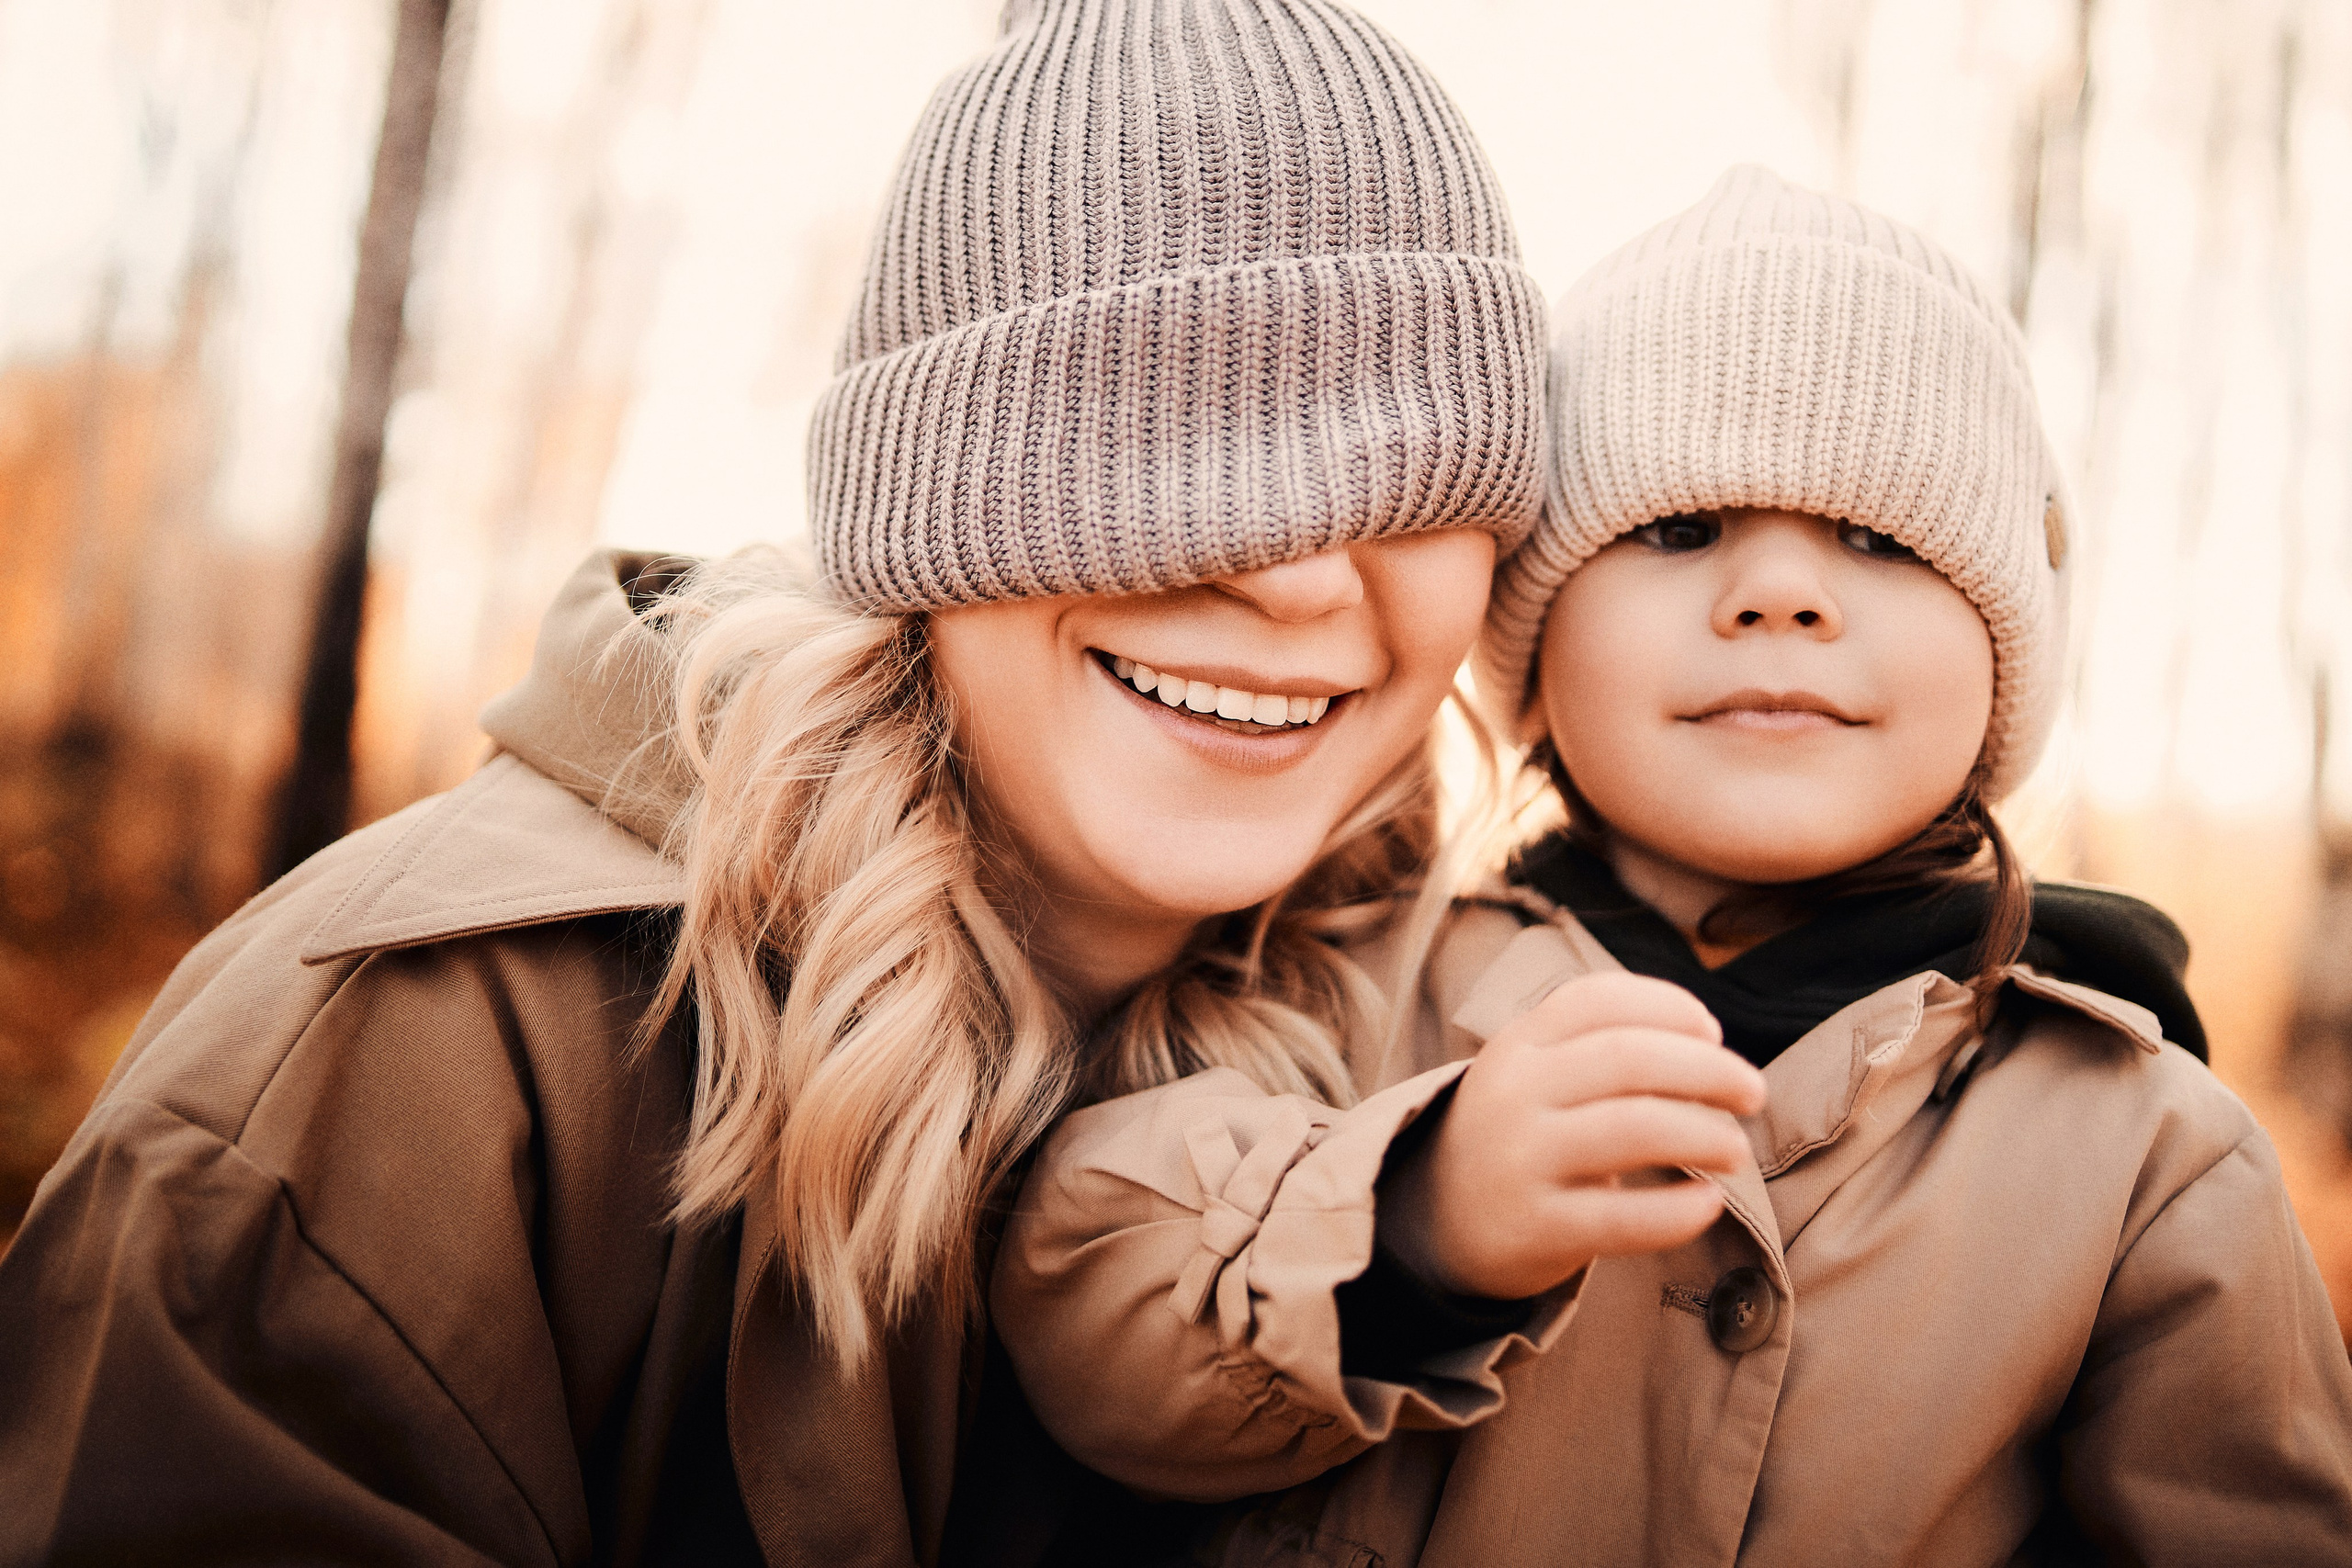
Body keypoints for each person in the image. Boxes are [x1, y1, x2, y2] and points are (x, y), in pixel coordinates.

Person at [0, 3, 1548, 1562]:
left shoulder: (1496, 1073)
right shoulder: (405, 1068)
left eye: (1412, 475)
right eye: (1180, 438)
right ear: (933, 514)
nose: (1299, 579)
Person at [992, 166, 2352, 1565]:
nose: (1777, 595)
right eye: (1678, 530)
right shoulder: (1336, 980)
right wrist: (1412, 1224)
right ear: (1536, 636)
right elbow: (1080, 1299)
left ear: (2006, 654)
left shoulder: (2147, 1150)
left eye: (1879, 539)